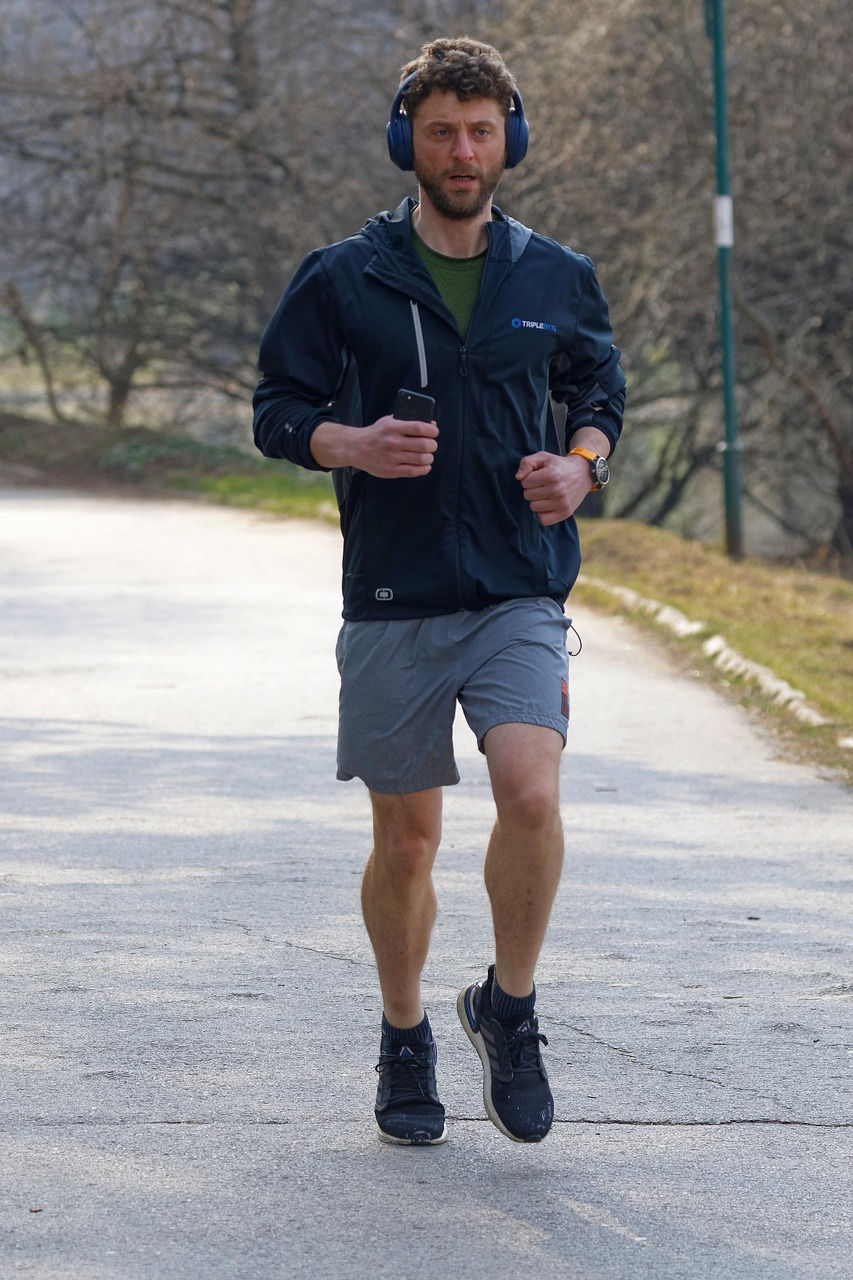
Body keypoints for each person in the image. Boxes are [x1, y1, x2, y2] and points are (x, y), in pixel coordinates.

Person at [253, 37, 626, 1146]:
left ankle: (508, 1008)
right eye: (440, 132)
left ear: (510, 140)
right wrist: (350, 442)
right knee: (408, 840)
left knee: (531, 795)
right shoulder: (342, 275)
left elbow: (597, 390)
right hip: (393, 593)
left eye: (480, 131)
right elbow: (276, 410)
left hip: (518, 585)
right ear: (404, 143)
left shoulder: (554, 274)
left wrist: (583, 465)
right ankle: (406, 1029)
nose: (462, 151)